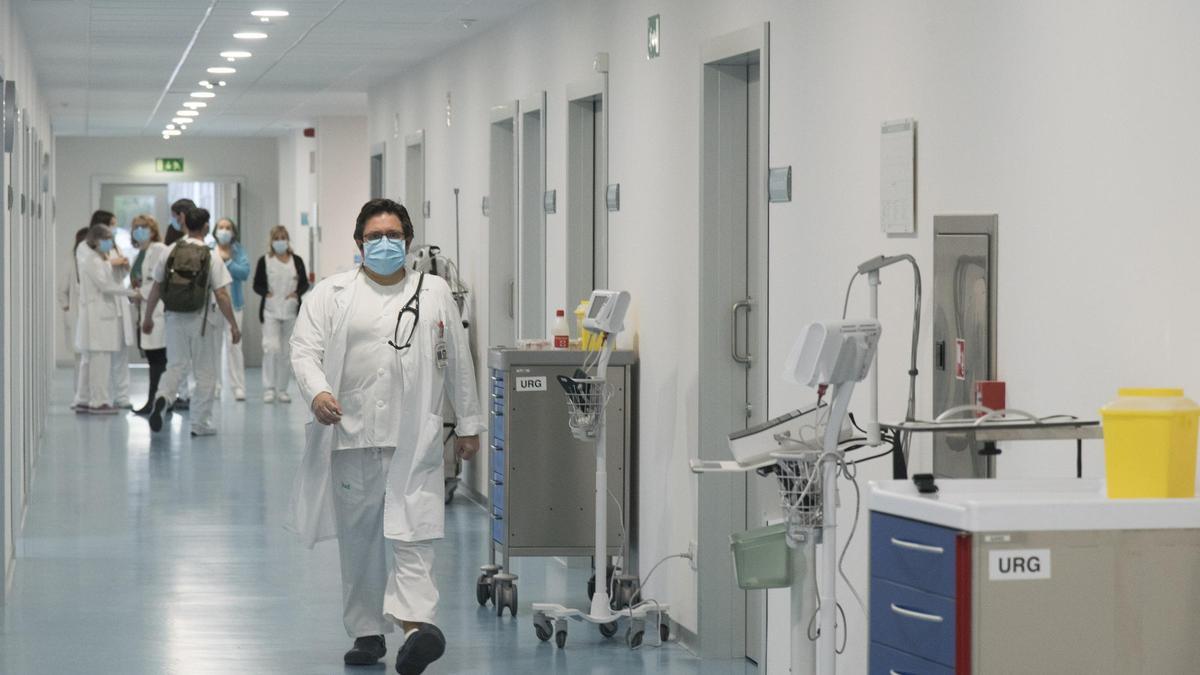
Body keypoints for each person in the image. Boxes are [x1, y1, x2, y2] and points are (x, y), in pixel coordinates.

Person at [288, 198, 483, 673]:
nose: (384, 244)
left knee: (415, 531)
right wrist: (317, 393)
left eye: (393, 235)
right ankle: (367, 632)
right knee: (360, 541)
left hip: (414, 433)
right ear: (358, 243)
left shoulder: (433, 291)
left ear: (409, 241)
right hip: (350, 435)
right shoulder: (330, 294)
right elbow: (303, 351)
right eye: (374, 237)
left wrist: (470, 425)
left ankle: (418, 627)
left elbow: (457, 359)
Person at [141, 207, 241, 437]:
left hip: (173, 318)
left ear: (185, 225)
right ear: (206, 226)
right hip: (202, 320)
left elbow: (156, 287)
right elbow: (222, 295)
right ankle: (199, 423)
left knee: (176, 365)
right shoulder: (211, 254)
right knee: (205, 372)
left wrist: (147, 318)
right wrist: (233, 324)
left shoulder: (170, 251)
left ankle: (163, 397)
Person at [75, 221, 139, 414]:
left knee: (97, 360)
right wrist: (132, 293)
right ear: (95, 241)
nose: (109, 244)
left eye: (111, 240)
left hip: (101, 316)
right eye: (105, 240)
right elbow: (107, 286)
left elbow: (112, 278)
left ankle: (85, 399)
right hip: (99, 318)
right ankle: (99, 401)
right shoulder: (93, 261)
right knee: (100, 362)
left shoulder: (99, 260)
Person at [253, 225, 309, 403]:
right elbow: (257, 284)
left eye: (283, 237)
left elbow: (305, 283)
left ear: (288, 240)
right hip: (270, 311)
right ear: (272, 241)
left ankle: (283, 389)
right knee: (271, 349)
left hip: (291, 310)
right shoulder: (265, 260)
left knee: (286, 352)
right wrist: (266, 293)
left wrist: (296, 293)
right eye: (276, 238)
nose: (280, 241)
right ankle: (269, 388)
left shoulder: (296, 260)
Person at [129, 215, 170, 415]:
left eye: (144, 227)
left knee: (158, 359)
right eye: (136, 227)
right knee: (154, 359)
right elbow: (139, 280)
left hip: (156, 312)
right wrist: (133, 291)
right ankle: (157, 400)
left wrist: (140, 293)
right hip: (145, 309)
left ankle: (157, 401)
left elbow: (157, 282)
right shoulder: (140, 253)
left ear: (153, 230)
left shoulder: (159, 249)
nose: (139, 230)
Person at [214, 218, 250, 401]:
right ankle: (215, 385)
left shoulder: (238, 250)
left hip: (234, 304)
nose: (224, 231)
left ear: (233, 232)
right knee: (213, 346)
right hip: (213, 305)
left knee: (234, 345)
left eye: (228, 228)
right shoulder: (210, 249)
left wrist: (227, 261)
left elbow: (244, 273)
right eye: (221, 227)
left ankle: (238, 386)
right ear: (215, 230)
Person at [164, 198, 195, 408]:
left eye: (176, 215)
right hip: (181, 304)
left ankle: (181, 394)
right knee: (181, 356)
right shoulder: (173, 237)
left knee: (181, 356)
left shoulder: (194, 240)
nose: (174, 220)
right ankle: (180, 394)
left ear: (182, 215)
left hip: (181, 303)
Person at [63, 226, 88, 410]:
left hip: (89, 317)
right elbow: (61, 289)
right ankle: (79, 396)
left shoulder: (91, 263)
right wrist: (66, 306)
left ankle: (86, 395)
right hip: (76, 316)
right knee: (80, 358)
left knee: (89, 359)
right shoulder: (71, 263)